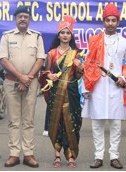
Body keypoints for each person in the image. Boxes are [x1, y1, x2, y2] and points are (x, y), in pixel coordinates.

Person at [82, 3, 126, 169]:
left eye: (113, 20)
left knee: (116, 124)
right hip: (97, 86)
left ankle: (114, 156)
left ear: (118, 22)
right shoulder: (95, 41)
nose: (110, 23)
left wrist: (123, 78)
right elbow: (88, 64)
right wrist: (86, 88)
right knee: (97, 123)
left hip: (115, 87)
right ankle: (98, 156)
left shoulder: (125, 42)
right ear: (103, 22)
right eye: (107, 20)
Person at [0, 5, 46, 168]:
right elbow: (4, 60)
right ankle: (13, 154)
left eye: (26, 16)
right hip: (12, 82)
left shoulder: (37, 37)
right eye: (20, 16)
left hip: (31, 84)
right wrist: (20, 78)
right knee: (13, 120)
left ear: (30, 19)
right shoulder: (6, 36)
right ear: (15, 19)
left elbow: (40, 59)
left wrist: (27, 79)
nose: (23, 19)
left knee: (28, 120)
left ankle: (28, 154)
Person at [40, 16, 83, 169]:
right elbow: (44, 72)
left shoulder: (76, 54)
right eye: (62, 33)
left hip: (71, 92)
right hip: (56, 93)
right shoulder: (51, 53)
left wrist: (79, 68)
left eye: (68, 33)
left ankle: (71, 154)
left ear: (71, 36)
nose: (65, 35)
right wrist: (48, 75)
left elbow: (78, 76)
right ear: (58, 35)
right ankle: (57, 154)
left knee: (72, 123)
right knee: (56, 122)